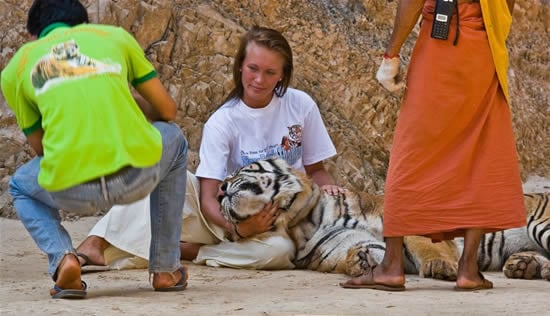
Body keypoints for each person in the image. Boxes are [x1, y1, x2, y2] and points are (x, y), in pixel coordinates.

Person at [75, 25, 344, 271]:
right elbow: (207, 199)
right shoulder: (223, 121)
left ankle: (194, 251)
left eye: (270, 72)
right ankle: (94, 244)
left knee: (279, 252)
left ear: (282, 75)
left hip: (280, 226)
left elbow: (316, 170)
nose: (259, 80)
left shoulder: (301, 105)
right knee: (156, 175)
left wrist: (329, 187)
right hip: (225, 217)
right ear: (240, 67)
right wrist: (239, 228)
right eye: (253, 68)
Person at [1, 0, 189, 298]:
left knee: (20, 187)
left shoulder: (18, 66)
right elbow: (167, 110)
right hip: (136, 175)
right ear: (85, 25)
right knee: (174, 138)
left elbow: (40, 149)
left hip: (71, 188)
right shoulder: (114, 37)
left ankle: (65, 258)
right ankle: (165, 268)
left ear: (33, 36)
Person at [341, 0, 526, 291]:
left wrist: (391, 55)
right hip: (484, 47)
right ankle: (468, 268)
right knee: (480, 149)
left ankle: (390, 266)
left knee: (412, 151)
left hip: (441, 44)